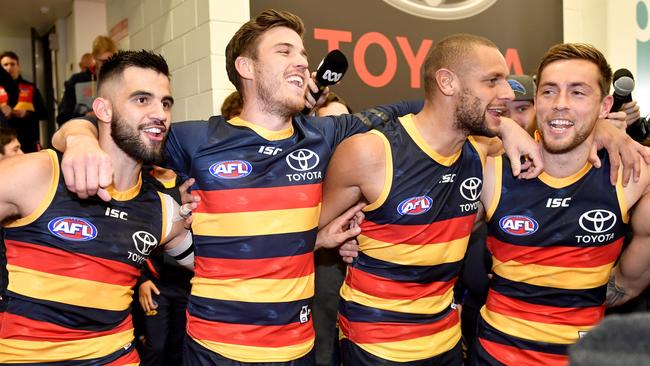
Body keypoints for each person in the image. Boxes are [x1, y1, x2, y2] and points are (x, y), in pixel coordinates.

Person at [0, 50, 194, 364]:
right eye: (142, 99)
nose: (160, 113)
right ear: (102, 109)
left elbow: (225, 270)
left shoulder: (163, 210)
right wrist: (76, 134)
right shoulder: (40, 174)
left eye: (166, 102)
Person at [472, 43, 650, 366]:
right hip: (496, 357)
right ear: (536, 99)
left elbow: (630, 282)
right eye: (549, 92)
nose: (560, 105)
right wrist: (504, 126)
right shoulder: (492, 170)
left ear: (605, 105)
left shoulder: (634, 177)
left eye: (578, 93)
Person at [57, 35, 117, 125]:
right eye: (102, 61)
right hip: (85, 133)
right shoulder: (77, 81)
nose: (107, 65)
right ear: (94, 57)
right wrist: (87, 115)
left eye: (110, 60)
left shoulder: (120, 79)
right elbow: (62, 117)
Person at [0, 51, 47, 152]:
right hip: (5, 144)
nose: (9, 68)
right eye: (5, 65)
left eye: (12, 64)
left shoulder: (30, 87)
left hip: (28, 141)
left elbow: (43, 113)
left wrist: (27, 114)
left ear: (18, 66)